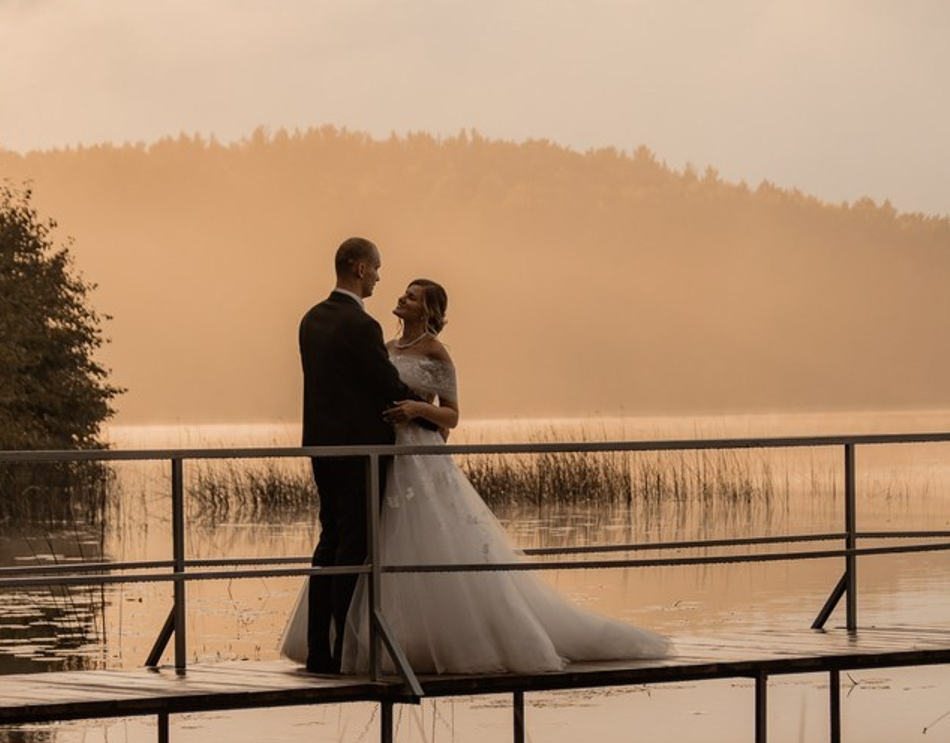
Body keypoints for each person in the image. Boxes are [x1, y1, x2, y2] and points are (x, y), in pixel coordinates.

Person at [284, 275, 671, 674]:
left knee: (427, 541)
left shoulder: (436, 353)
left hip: (419, 455)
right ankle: (367, 638)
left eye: (412, 297)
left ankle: (441, 638)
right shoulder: (387, 347)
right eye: (404, 293)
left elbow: (451, 415)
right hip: (386, 454)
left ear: (428, 310)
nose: (401, 298)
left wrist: (417, 410)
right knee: (377, 541)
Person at [298, 237, 436, 673]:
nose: (378, 277)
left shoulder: (311, 319)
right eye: (376, 268)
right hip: (360, 451)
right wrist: (426, 412)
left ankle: (319, 648)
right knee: (354, 548)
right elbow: (384, 384)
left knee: (329, 542)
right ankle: (343, 649)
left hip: (321, 447)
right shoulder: (361, 325)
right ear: (360, 268)